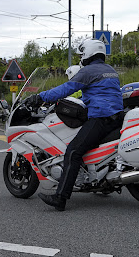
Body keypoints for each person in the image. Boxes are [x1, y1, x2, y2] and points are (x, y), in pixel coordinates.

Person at [25, 39, 124, 211]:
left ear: (88, 53)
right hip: (117, 117)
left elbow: (65, 89)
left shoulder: (88, 71)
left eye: (82, 53)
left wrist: (40, 97)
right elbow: (101, 92)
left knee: (73, 152)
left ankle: (60, 197)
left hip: (101, 118)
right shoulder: (110, 70)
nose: (80, 57)